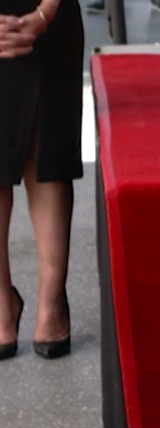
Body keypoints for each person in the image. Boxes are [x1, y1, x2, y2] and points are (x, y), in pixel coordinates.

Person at [0, 0, 82, 361]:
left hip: (49, 16)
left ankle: (51, 303)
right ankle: (1, 303)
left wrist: (46, 12)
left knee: (47, 152)